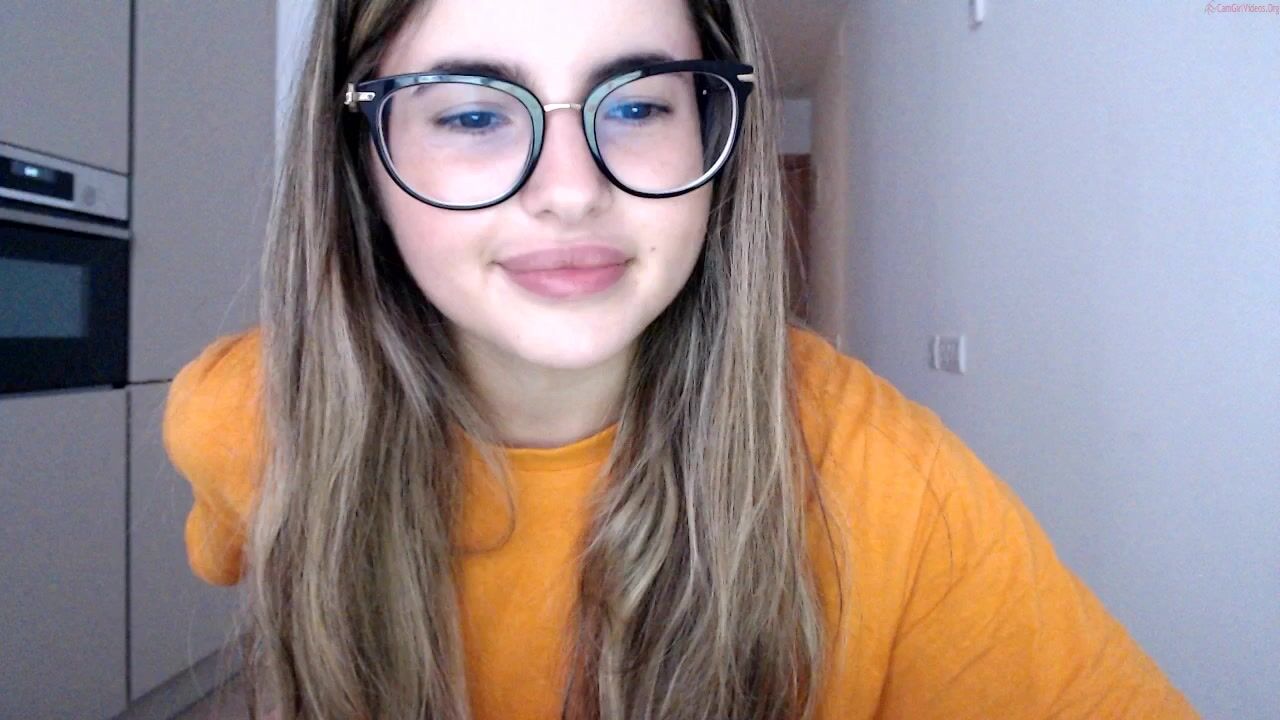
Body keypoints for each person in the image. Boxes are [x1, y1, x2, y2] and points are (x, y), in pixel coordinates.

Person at [160, 0, 1199, 718]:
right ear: (361, 165)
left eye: (635, 105)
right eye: (473, 113)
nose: (571, 189)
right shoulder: (241, 415)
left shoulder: (882, 480)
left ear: (709, 137)